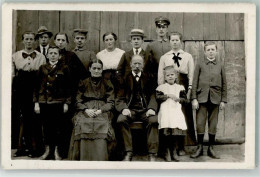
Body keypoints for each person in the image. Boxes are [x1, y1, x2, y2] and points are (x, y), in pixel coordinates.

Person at [68, 59, 115, 161]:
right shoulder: (83, 82)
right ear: (89, 69)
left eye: (99, 68)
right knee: (81, 122)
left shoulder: (107, 83)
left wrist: (100, 110)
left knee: (102, 123)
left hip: (102, 110)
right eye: (94, 68)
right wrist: (85, 110)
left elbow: (111, 102)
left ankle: (100, 157)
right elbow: (77, 101)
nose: (96, 71)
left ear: (102, 70)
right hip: (86, 109)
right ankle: (83, 157)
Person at [158, 32, 195, 156]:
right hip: (169, 86)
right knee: (170, 116)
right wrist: (163, 89)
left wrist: (189, 90)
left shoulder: (188, 56)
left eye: (177, 40)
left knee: (183, 116)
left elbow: (191, 75)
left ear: (181, 41)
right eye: (172, 40)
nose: (174, 42)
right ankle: (170, 148)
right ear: (169, 42)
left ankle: (182, 146)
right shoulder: (165, 57)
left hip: (183, 85)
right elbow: (161, 76)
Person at [116, 54, 158, 162]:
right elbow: (119, 97)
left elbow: (153, 95)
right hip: (131, 110)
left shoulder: (149, 77)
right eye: (135, 63)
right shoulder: (125, 79)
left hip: (145, 110)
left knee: (153, 120)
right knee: (121, 119)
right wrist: (124, 108)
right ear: (130, 65)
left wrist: (151, 108)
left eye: (139, 63)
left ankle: (152, 153)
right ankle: (128, 152)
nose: (137, 66)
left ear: (143, 65)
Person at [34, 46, 71, 160]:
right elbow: (36, 87)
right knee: (46, 128)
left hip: (58, 102)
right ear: (47, 55)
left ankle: (57, 152)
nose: (53, 55)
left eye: (55, 53)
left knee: (58, 128)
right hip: (44, 101)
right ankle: (47, 151)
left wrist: (66, 103)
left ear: (59, 56)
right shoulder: (42, 68)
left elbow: (68, 88)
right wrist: (36, 102)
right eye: (51, 53)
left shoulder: (64, 68)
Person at [12, 31, 46, 157]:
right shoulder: (15, 56)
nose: (29, 41)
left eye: (31, 39)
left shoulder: (41, 57)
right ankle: (21, 148)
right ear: (23, 40)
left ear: (34, 41)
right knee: (21, 117)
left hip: (35, 85)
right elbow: (12, 74)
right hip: (20, 87)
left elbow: (43, 75)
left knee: (34, 118)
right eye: (26, 39)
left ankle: (36, 149)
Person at [191, 42, 227, 159]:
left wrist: (223, 100)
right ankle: (200, 147)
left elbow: (224, 84)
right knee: (200, 123)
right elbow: (194, 82)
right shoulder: (200, 64)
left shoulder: (220, 65)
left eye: (213, 49)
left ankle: (211, 147)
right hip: (201, 98)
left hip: (215, 98)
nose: (211, 52)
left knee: (213, 124)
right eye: (208, 50)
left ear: (216, 51)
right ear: (205, 52)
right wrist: (194, 98)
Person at [54, 32, 87, 158]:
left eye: (63, 40)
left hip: (68, 94)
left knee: (66, 123)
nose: (60, 42)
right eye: (58, 40)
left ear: (67, 42)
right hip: (53, 95)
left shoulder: (71, 56)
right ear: (55, 42)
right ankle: (53, 150)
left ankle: (65, 151)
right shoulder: (51, 54)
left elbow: (83, 74)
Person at [156, 66, 188, 162]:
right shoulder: (161, 87)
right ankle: (166, 152)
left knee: (174, 131)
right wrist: (168, 95)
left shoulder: (179, 87)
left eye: (172, 75)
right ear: (165, 77)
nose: (170, 77)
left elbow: (185, 100)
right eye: (168, 75)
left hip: (175, 111)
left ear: (176, 76)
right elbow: (158, 98)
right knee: (166, 131)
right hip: (165, 111)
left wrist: (178, 99)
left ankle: (174, 150)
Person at [146, 16, 172, 82]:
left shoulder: (171, 44)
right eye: (159, 27)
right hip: (155, 78)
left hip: (170, 77)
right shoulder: (151, 45)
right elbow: (147, 64)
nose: (161, 29)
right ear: (156, 29)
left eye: (163, 27)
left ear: (167, 29)